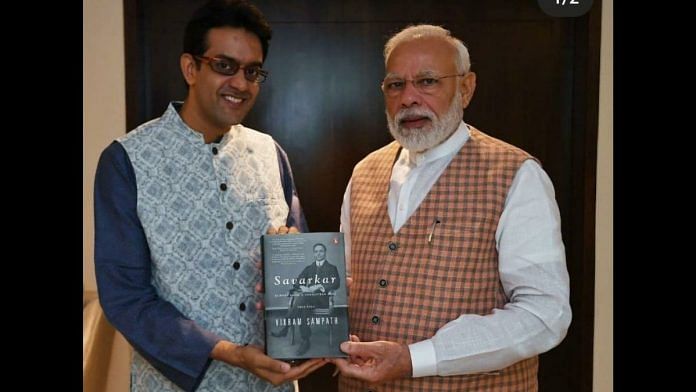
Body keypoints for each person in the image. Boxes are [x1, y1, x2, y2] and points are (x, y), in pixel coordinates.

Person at [93, 1, 326, 390]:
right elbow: (124, 296)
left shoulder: (271, 153)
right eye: (224, 66)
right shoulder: (127, 161)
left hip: (269, 383)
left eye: (252, 71)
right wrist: (226, 351)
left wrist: (302, 270)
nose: (240, 82)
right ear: (191, 68)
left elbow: (299, 266)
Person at [331, 24, 572, 391]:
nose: (409, 98)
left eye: (427, 82)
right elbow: (345, 285)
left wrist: (417, 359)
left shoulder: (515, 175)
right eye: (396, 85)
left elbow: (545, 314)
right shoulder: (364, 172)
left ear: (466, 87)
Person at [270, 243, 341, 356]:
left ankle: (286, 327)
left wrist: (320, 286)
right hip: (307, 300)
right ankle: (305, 340)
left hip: (322, 300)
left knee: (303, 298)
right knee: (304, 305)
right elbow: (298, 281)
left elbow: (336, 284)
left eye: (321, 251)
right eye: (316, 251)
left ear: (325, 252)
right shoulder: (309, 268)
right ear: (314, 254)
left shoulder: (332, 268)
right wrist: (302, 287)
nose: (318, 253)